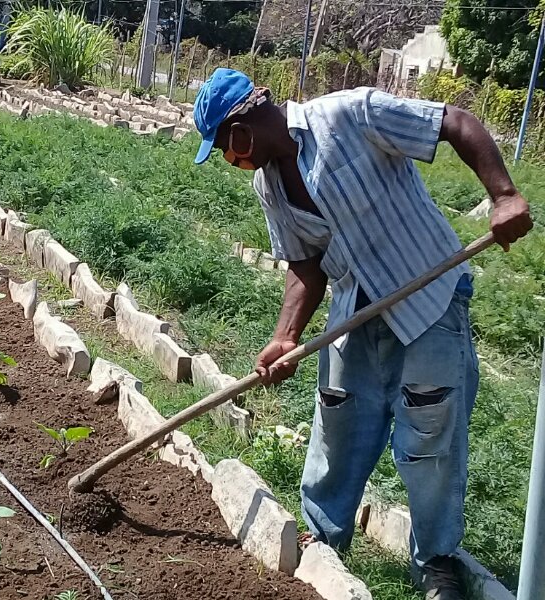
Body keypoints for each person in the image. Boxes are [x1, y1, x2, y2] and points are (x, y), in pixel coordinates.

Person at [191, 69, 532, 600]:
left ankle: (437, 561)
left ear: (243, 128)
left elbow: (455, 122)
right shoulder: (270, 185)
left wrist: (504, 194)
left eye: (226, 149)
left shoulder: (350, 114)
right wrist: (285, 339)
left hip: (429, 299)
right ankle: (323, 540)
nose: (233, 163)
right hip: (357, 311)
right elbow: (305, 265)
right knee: (338, 425)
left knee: (430, 438)